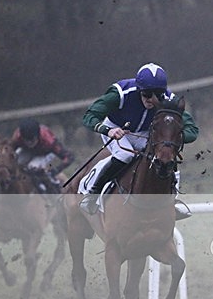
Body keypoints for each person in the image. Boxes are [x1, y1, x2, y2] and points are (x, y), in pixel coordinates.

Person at [79, 62, 199, 219]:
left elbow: (192, 130)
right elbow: (89, 116)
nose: (151, 99)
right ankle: (93, 194)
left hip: (143, 133)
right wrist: (107, 130)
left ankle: (172, 201)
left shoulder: (169, 100)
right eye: (147, 94)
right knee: (125, 155)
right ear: (138, 89)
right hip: (116, 128)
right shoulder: (120, 93)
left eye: (157, 94)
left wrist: (174, 138)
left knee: (166, 155)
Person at [10, 118, 75, 194]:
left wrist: (55, 170)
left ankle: (54, 185)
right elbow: (9, 152)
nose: (29, 143)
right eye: (26, 140)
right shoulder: (17, 136)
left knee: (33, 167)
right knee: (15, 163)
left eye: (32, 140)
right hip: (26, 150)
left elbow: (69, 157)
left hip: (46, 153)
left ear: (38, 136)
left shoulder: (48, 140)